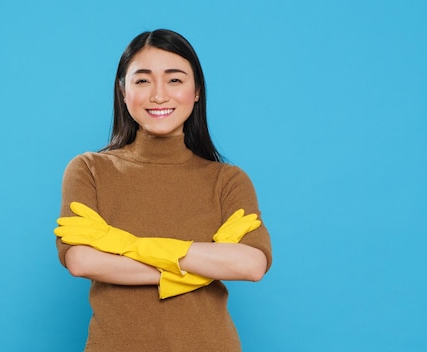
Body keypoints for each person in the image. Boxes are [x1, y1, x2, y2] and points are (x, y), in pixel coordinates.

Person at [54, 29, 272, 352]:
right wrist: (201, 261)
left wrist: (124, 245)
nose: (159, 95)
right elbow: (81, 260)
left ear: (196, 91)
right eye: (142, 80)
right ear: (122, 91)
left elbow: (251, 264)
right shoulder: (89, 170)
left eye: (174, 80)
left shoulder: (227, 180)